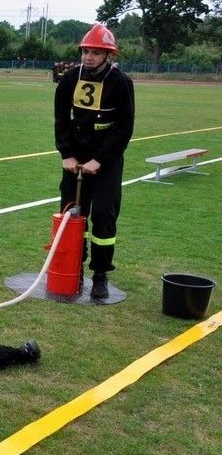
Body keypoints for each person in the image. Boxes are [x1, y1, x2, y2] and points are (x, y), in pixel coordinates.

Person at [54, 24, 135, 299]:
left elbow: (124, 128)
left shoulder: (121, 83)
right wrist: (67, 154)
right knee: (71, 214)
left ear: (108, 56)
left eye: (96, 52)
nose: (88, 57)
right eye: (86, 51)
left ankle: (100, 274)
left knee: (103, 215)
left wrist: (99, 160)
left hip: (106, 160)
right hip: (75, 157)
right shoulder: (69, 79)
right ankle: (72, 268)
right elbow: (61, 119)